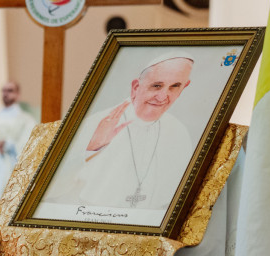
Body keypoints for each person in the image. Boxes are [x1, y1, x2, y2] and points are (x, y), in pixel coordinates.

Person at [42, 52, 195, 211]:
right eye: (156, 86)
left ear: (184, 87)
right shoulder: (94, 125)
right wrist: (92, 149)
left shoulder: (178, 132)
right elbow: (49, 189)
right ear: (136, 87)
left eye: (175, 86)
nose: (162, 97)